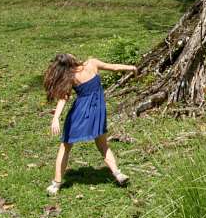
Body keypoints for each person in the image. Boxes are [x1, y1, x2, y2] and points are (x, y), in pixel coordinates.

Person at [43, 53, 136, 196]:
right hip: (98, 110)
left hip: (79, 113)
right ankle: (118, 174)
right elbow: (115, 67)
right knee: (103, 145)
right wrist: (131, 67)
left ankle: (56, 184)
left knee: (65, 146)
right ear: (71, 60)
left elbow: (63, 99)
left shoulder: (70, 76)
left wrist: (56, 118)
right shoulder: (93, 63)